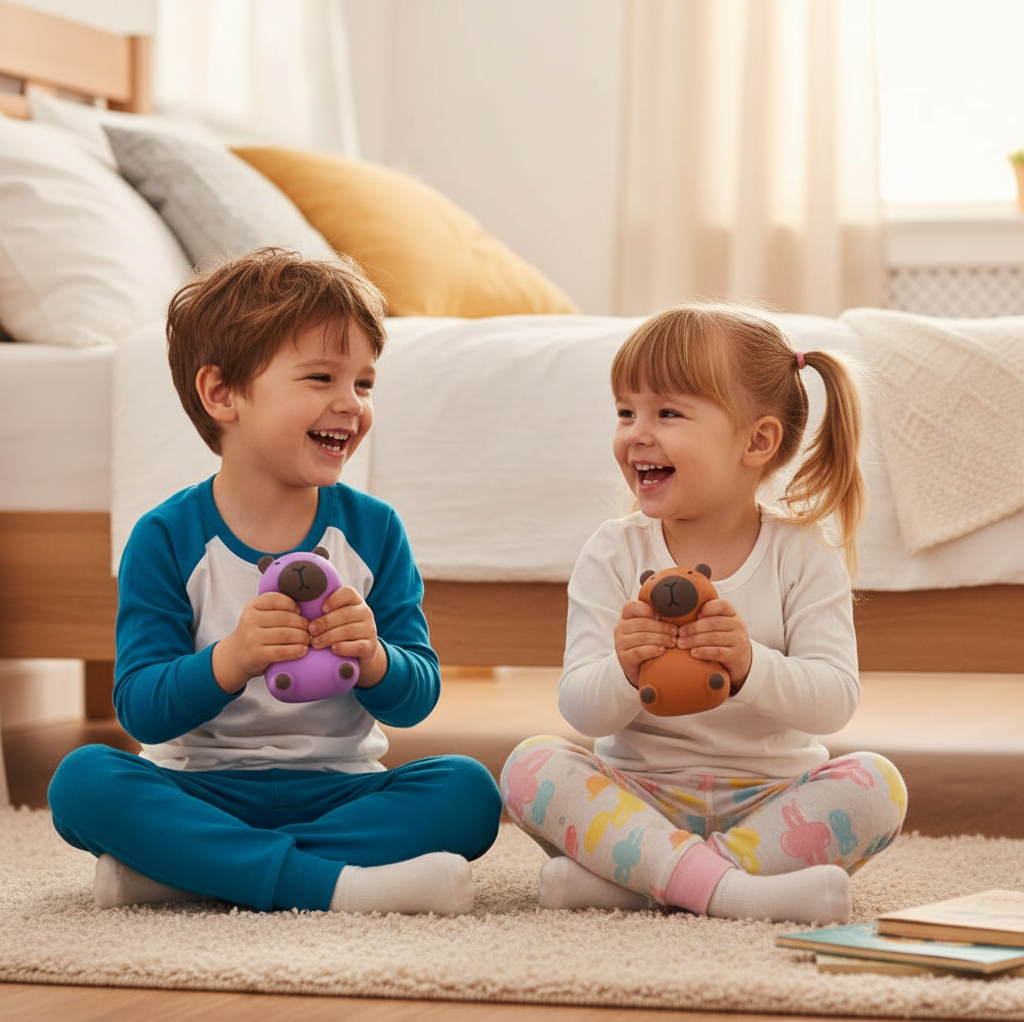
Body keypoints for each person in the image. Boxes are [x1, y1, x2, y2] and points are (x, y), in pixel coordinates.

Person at [48, 248, 502, 916]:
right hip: (200, 785)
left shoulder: (375, 531)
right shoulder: (166, 537)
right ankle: (335, 887)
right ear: (221, 393)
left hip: (338, 788)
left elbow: (417, 696)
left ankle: (193, 872)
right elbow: (140, 707)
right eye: (321, 377)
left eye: (365, 384)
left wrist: (376, 658)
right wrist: (232, 660)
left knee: (468, 793)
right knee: (84, 782)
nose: (351, 404)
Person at [500, 303, 906, 925]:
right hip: (640, 798)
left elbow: (833, 702)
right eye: (625, 411)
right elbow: (581, 706)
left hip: (769, 801)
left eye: (668, 412)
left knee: (879, 787)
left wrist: (749, 667)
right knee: (529, 767)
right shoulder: (613, 551)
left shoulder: (801, 552)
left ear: (757, 440)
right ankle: (735, 891)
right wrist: (626, 669)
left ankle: (642, 881)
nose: (637, 431)